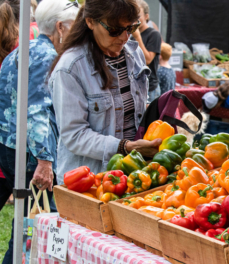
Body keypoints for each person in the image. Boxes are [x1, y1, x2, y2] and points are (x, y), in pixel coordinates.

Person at [0, 1, 79, 262]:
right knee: (40, 221)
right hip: (31, 155)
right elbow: (37, 111)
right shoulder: (47, 57)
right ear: (60, 27)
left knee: (28, 219)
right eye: (74, 26)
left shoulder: (24, 51)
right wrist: (45, 161)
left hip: (10, 147)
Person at [49, 0, 161, 184]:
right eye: (115, 30)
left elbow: (133, 109)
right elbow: (74, 135)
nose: (124, 37)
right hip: (88, 180)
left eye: (131, 28)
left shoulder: (134, 54)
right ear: (90, 22)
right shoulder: (70, 68)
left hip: (131, 175)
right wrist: (124, 147)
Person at [133, 0, 162, 103]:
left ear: (146, 16)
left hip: (150, 88)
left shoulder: (153, 34)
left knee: (151, 119)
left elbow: (147, 60)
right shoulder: (128, 34)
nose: (135, 20)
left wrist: (137, 37)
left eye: (138, 16)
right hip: (135, 87)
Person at [0, 0, 39, 67]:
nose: (32, 17)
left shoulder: (4, 33)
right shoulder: (26, 35)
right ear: (25, 16)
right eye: (31, 14)